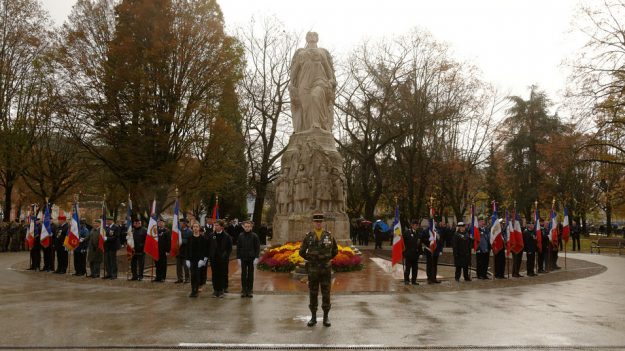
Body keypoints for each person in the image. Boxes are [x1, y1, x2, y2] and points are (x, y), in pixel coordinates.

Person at [289, 32, 336, 132]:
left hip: (320, 80)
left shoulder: (321, 52)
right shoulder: (301, 53)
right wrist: (292, 85)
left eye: (314, 35)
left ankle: (317, 125)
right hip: (304, 83)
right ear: (306, 38)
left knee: (316, 96)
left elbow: (328, 69)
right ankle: (307, 129)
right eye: (309, 35)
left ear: (317, 38)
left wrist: (331, 80)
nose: (312, 37)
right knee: (306, 107)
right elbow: (295, 71)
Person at [299, 213, 338, 327]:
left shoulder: (329, 236)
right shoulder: (308, 236)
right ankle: (313, 317)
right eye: (316, 222)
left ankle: (326, 317)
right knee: (313, 293)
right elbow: (301, 251)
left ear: (323, 223)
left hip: (325, 269)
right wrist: (311, 260)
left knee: (326, 293)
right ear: (313, 223)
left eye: (320, 221)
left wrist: (327, 259)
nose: (318, 223)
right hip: (313, 269)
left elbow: (335, 250)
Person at [208, 220, 232, 298]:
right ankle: (215, 290)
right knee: (215, 274)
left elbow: (229, 248)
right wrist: (210, 255)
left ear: (221, 226)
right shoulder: (211, 235)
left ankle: (221, 290)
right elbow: (209, 247)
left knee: (222, 274)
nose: (215, 227)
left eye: (217, 225)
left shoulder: (227, 236)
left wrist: (225, 255)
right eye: (215, 225)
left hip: (223, 259)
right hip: (214, 258)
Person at [236, 220, 261, 298]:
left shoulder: (254, 236)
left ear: (251, 227)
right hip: (243, 258)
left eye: (248, 226)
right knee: (243, 274)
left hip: (251, 258)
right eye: (245, 226)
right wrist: (238, 258)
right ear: (243, 227)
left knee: (250, 274)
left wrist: (256, 257)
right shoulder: (240, 236)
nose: (247, 228)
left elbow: (257, 248)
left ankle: (250, 290)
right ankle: (244, 290)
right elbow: (238, 247)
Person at [186, 221, 208, 298]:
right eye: (194, 227)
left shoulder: (203, 238)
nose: (195, 228)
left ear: (199, 228)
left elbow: (205, 249)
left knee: (198, 275)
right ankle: (193, 290)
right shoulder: (189, 238)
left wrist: (203, 259)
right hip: (192, 260)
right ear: (192, 228)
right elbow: (187, 249)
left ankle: (197, 290)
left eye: (197, 227)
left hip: (199, 260)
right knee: (192, 275)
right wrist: (187, 259)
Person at [421, 219, 443, 284]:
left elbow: (441, 241)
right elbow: (423, 240)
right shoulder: (425, 231)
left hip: (436, 250)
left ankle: (434, 278)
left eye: (434, 222)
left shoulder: (437, 231)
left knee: (435, 265)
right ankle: (429, 278)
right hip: (429, 250)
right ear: (429, 223)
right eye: (432, 222)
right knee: (429, 264)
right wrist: (430, 241)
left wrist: (440, 250)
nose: (434, 223)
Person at [402, 220, 422, 285]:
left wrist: (420, 253)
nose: (417, 226)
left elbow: (419, 244)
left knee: (415, 269)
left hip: (415, 254)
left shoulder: (418, 233)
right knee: (407, 268)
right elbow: (402, 243)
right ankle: (406, 280)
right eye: (415, 225)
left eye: (417, 225)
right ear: (412, 225)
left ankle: (414, 281)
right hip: (408, 254)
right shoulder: (406, 232)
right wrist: (403, 252)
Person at [154, 216, 171, 282]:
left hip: (163, 251)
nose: (160, 223)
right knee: (157, 264)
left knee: (163, 265)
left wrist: (167, 251)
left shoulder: (167, 231)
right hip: (156, 250)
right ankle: (157, 277)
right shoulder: (155, 231)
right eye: (159, 222)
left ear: (164, 223)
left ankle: (163, 277)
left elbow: (168, 242)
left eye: (161, 222)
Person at [175, 218, 192, 284]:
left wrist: (182, 241)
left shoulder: (189, 231)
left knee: (186, 266)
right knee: (178, 267)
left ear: (184, 223)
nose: (180, 224)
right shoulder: (178, 231)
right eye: (179, 223)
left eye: (181, 223)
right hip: (178, 251)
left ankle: (187, 278)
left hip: (185, 251)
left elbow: (190, 241)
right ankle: (180, 278)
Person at [476, 215, 491, 279]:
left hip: (486, 249)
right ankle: (479, 275)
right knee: (480, 263)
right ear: (478, 222)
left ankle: (484, 274)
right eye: (481, 221)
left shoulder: (486, 229)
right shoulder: (477, 230)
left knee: (485, 263)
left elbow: (488, 238)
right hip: (480, 249)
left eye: (483, 221)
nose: (482, 222)